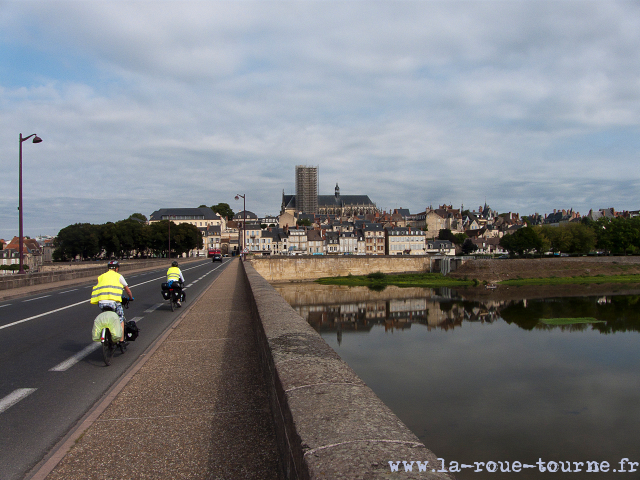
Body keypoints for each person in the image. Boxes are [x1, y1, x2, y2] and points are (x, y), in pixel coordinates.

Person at [90, 260, 133, 342]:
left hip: (101, 302)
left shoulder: (101, 277)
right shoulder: (119, 276)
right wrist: (131, 298)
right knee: (120, 318)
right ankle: (121, 340)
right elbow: (127, 290)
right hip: (114, 302)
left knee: (106, 316)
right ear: (116, 268)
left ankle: (106, 331)